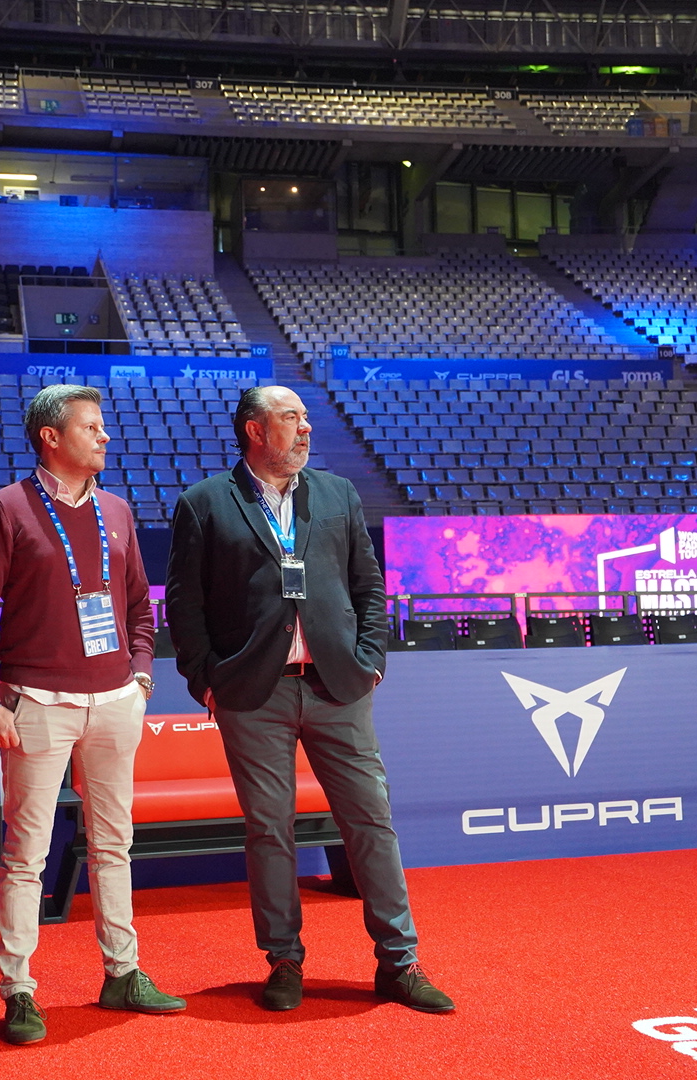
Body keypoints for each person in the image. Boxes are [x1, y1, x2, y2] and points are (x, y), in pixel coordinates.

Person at [164, 385, 453, 1015]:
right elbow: (184, 605)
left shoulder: (338, 493)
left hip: (338, 686)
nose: (306, 429)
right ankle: (284, 959)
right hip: (252, 693)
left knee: (371, 820)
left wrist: (371, 660)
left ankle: (399, 961)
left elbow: (368, 586)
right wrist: (206, 680)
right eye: (291, 418)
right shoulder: (204, 502)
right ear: (255, 430)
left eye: (305, 418)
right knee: (270, 830)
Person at [0, 383, 185, 1046]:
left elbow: (140, 604)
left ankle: (124, 972)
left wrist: (141, 675)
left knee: (114, 846)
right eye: (91, 426)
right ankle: (18, 990)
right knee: (25, 854)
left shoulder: (117, 509)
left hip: (116, 701)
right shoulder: (6, 508)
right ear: (51, 437)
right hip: (36, 704)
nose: (105, 436)